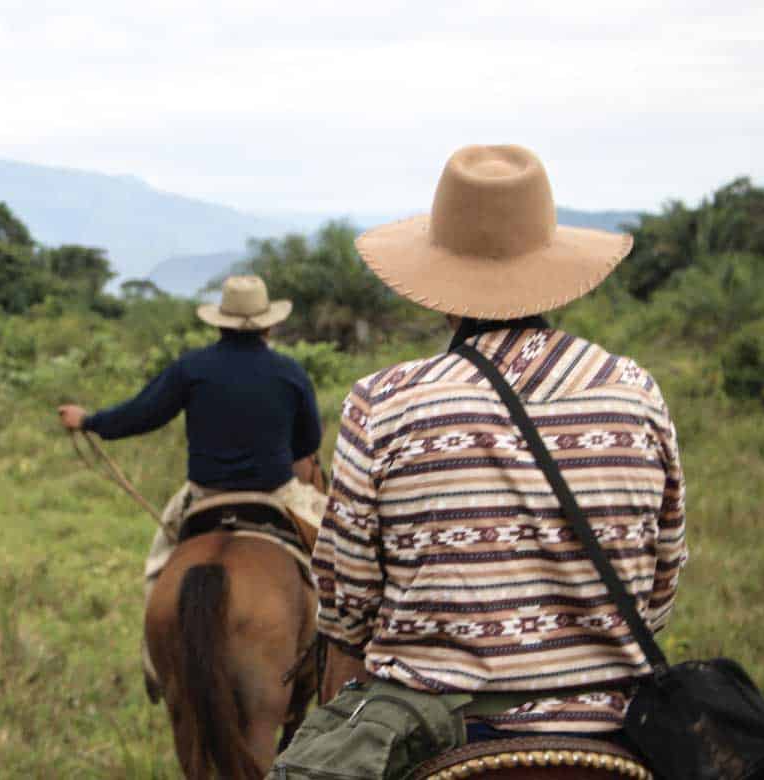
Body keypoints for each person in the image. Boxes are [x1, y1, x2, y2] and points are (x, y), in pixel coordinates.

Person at [312, 145, 687, 749]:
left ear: (436, 274)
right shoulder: (634, 391)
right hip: (612, 730)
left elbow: (347, 603)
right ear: (552, 268)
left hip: (437, 732)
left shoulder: (383, 401)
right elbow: (662, 582)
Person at [58, 274, 328, 691]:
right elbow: (309, 441)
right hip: (277, 493)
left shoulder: (192, 368)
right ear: (268, 325)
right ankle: (331, 665)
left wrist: (89, 421)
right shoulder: (289, 373)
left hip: (204, 496)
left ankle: (154, 665)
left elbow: (140, 414)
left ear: (219, 322)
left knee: (158, 566)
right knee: (334, 560)